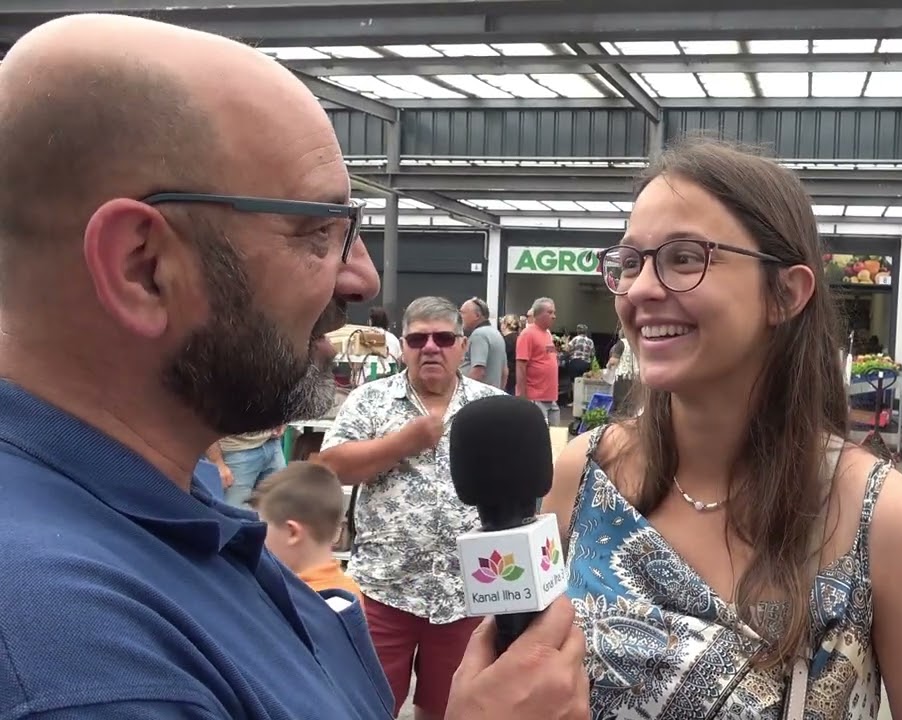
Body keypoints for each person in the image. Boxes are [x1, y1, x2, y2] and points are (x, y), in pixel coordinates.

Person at [0, 14, 587, 720]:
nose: (363, 279)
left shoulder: (164, 500)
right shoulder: (73, 656)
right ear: (143, 268)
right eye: (318, 232)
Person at [544, 139, 902, 719]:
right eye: (631, 262)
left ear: (786, 293)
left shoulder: (882, 520)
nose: (643, 288)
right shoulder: (582, 475)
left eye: (684, 258)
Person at [316, 296, 507, 720]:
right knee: (367, 706)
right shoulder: (370, 400)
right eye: (418, 339)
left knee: (450, 709)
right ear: (403, 346)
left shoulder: (491, 407)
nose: (431, 347)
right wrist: (403, 443)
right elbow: (330, 467)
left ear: (462, 345)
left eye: (443, 338)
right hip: (384, 590)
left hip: (466, 595)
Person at [250, 461, 363, 606]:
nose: (256, 538)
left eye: (261, 528)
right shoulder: (348, 591)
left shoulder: (310, 601)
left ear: (292, 532)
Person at [517, 297, 561, 424]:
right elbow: (521, 366)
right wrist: (522, 397)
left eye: (554, 312)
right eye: (550, 312)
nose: (554, 316)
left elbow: (551, 356)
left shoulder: (547, 334)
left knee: (555, 432)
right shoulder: (527, 334)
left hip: (551, 397)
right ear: (538, 314)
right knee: (539, 433)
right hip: (535, 398)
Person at [459, 297, 507, 389]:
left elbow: (478, 371)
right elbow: (504, 372)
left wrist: (466, 391)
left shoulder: (479, 334)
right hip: (493, 393)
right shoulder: (496, 334)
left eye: (463, 313)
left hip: (477, 394)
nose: (460, 317)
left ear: (477, 315)